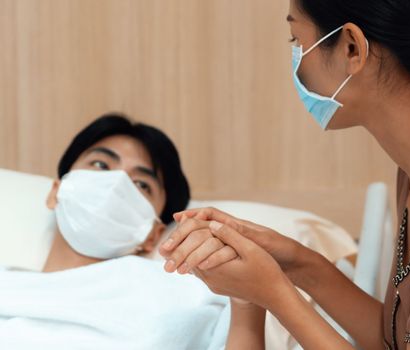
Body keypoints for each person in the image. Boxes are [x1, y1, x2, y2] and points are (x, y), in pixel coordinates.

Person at [159, 1, 410, 349]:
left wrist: (272, 293)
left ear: (352, 48)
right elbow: (397, 342)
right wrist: (296, 261)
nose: (296, 59)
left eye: (297, 41)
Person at [0, 114, 247, 350]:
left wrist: (246, 295)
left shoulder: (188, 293)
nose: (117, 183)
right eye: (100, 164)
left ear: (152, 235)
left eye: (141, 184)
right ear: (57, 192)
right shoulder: (9, 285)